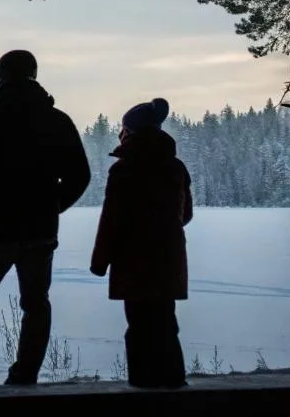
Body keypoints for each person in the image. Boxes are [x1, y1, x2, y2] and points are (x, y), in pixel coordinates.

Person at [0, 49, 92, 386]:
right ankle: (24, 378)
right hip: (38, 232)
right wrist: (50, 207)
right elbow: (80, 175)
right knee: (36, 304)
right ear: (34, 74)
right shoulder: (56, 119)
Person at [90, 97, 193, 389]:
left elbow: (111, 221)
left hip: (132, 261)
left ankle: (143, 387)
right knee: (166, 323)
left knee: (138, 326)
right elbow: (186, 214)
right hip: (169, 260)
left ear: (131, 131)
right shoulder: (175, 167)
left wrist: (100, 263)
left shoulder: (123, 170)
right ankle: (174, 384)